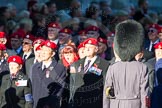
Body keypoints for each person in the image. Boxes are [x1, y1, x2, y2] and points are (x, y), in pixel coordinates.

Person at [103, 20, 149, 108]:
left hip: (115, 104)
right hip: (135, 104)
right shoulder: (142, 67)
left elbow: (107, 93)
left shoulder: (112, 67)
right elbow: (145, 94)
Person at [69, 38, 110, 108]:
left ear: (96, 49)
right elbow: (72, 85)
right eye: (86, 47)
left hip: (95, 102)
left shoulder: (104, 64)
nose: (87, 49)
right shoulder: (76, 64)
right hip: (78, 102)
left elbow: (106, 84)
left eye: (90, 47)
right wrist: (71, 101)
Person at [31, 40, 66, 108]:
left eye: (46, 50)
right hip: (35, 104)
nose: (43, 53)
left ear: (52, 54)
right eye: (42, 50)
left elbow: (59, 90)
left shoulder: (59, 68)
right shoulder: (35, 67)